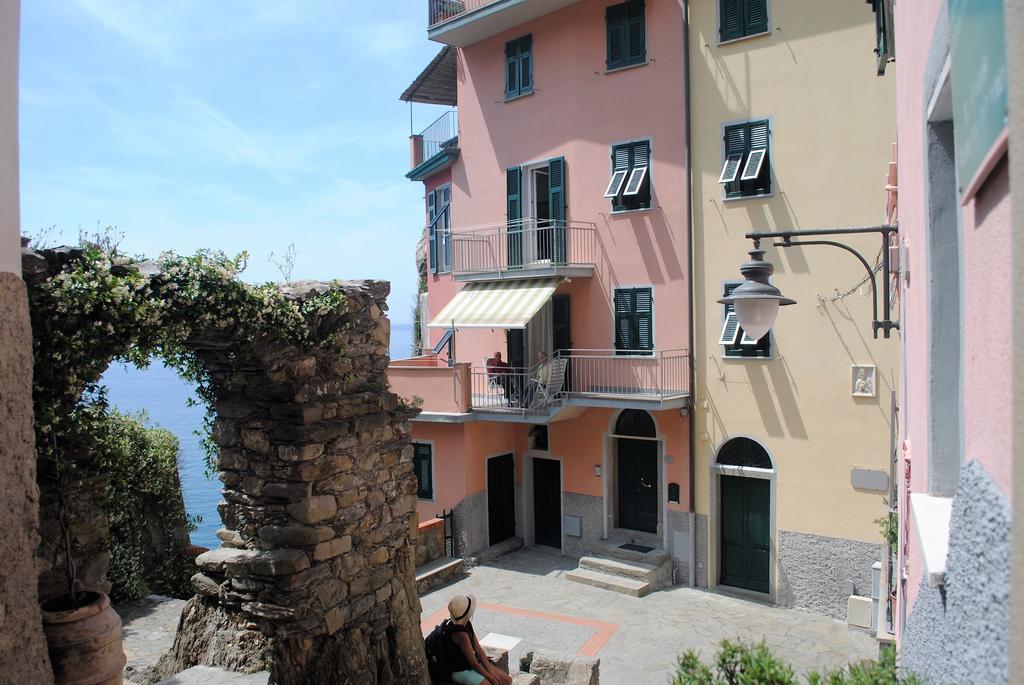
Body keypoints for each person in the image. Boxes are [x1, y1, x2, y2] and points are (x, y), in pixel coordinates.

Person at [440, 595, 512, 685]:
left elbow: (478, 649)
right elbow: (473, 663)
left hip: (469, 664)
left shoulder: (466, 623)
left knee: (507, 680)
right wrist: (491, 677)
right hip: (460, 669)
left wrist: (491, 672)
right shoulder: (460, 634)